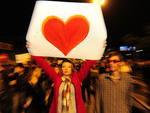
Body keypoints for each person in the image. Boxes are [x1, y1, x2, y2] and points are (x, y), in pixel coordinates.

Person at [30, 55, 96, 113]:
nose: (66, 69)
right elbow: (44, 64)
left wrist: (97, 51)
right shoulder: (56, 78)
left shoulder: (78, 78)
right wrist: (36, 53)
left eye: (69, 67)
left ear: (72, 68)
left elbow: (88, 64)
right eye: (63, 66)